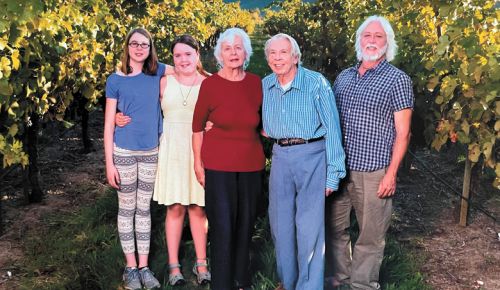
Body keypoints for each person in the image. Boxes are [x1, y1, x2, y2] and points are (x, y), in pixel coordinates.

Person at [325, 15, 413, 290]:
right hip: (340, 170)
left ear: (388, 44)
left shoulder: (397, 80)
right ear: (359, 40)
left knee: (370, 235)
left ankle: (363, 284)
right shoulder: (343, 78)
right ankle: (343, 278)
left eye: (378, 37)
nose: (372, 41)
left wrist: (391, 174)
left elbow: (403, 133)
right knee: (335, 228)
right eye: (367, 35)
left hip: (374, 171)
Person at [116, 34, 212, 287]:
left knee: (198, 208)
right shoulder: (163, 82)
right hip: (171, 149)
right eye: (178, 55)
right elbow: (141, 106)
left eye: (188, 54)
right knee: (175, 207)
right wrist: (118, 116)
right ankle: (173, 266)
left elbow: (220, 115)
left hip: (198, 149)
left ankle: (201, 263)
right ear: (172, 59)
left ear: (197, 55)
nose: (183, 59)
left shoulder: (208, 83)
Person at [261, 33, 346, 290]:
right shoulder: (265, 85)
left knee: (309, 228)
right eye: (272, 53)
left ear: (295, 56)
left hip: (312, 156)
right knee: (280, 224)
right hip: (280, 157)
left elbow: (333, 128)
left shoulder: (315, 83)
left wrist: (333, 173)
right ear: (267, 59)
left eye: (283, 52)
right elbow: (242, 110)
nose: (278, 58)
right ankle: (288, 282)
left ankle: (309, 286)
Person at [192, 27, 265, 290]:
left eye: (238, 47)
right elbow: (197, 127)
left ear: (246, 52)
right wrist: (198, 165)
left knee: (245, 227)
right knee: (222, 229)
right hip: (218, 168)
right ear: (219, 55)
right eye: (227, 48)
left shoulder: (257, 83)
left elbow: (265, 123)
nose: (233, 53)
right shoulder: (210, 85)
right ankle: (221, 284)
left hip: (251, 167)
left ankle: (241, 280)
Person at [104, 27, 163, 290]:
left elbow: (189, 68)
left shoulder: (158, 71)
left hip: (151, 151)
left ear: (150, 49)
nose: (140, 48)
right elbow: (107, 126)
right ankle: (130, 268)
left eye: (145, 44)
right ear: (127, 46)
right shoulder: (115, 80)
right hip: (124, 152)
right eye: (135, 43)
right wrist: (108, 163)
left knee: (144, 210)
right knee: (127, 209)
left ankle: (144, 267)